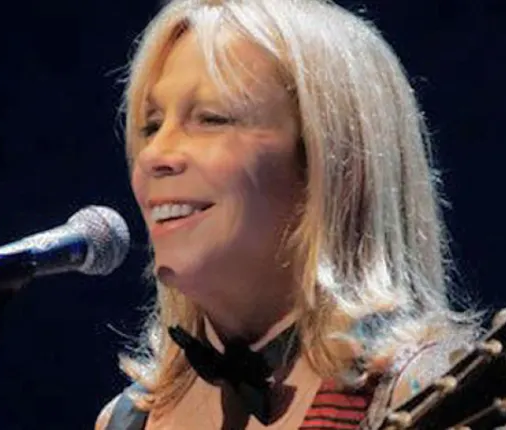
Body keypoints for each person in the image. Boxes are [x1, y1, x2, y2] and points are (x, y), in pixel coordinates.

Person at [96, 0, 483, 428]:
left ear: (330, 165)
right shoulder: (128, 418)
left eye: (211, 118)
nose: (155, 154)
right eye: (151, 125)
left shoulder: (436, 393)